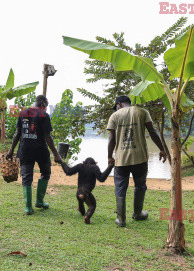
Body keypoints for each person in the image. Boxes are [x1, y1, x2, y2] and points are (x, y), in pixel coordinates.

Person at [107, 95, 167, 227]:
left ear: (119, 104)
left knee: (120, 187)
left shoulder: (115, 116)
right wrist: (162, 149)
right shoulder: (142, 112)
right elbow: (152, 132)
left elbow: (112, 139)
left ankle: (121, 219)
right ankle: (138, 213)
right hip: (140, 158)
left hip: (122, 159)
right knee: (140, 185)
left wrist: (109, 157)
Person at [6, 95, 63, 215]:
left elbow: (17, 133)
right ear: (43, 104)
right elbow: (48, 137)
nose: (46, 110)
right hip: (40, 150)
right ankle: (39, 202)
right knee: (46, 172)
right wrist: (56, 154)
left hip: (25, 150)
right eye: (46, 107)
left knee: (26, 177)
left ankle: (28, 207)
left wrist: (11, 150)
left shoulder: (23, 113)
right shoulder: (44, 115)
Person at [60, 157, 114, 224]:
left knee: (81, 202)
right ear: (95, 163)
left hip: (79, 192)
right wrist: (110, 167)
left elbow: (68, 171)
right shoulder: (95, 167)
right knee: (92, 206)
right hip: (86, 193)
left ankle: (82, 212)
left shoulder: (80, 166)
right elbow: (102, 178)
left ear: (83, 162)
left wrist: (62, 163)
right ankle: (87, 217)